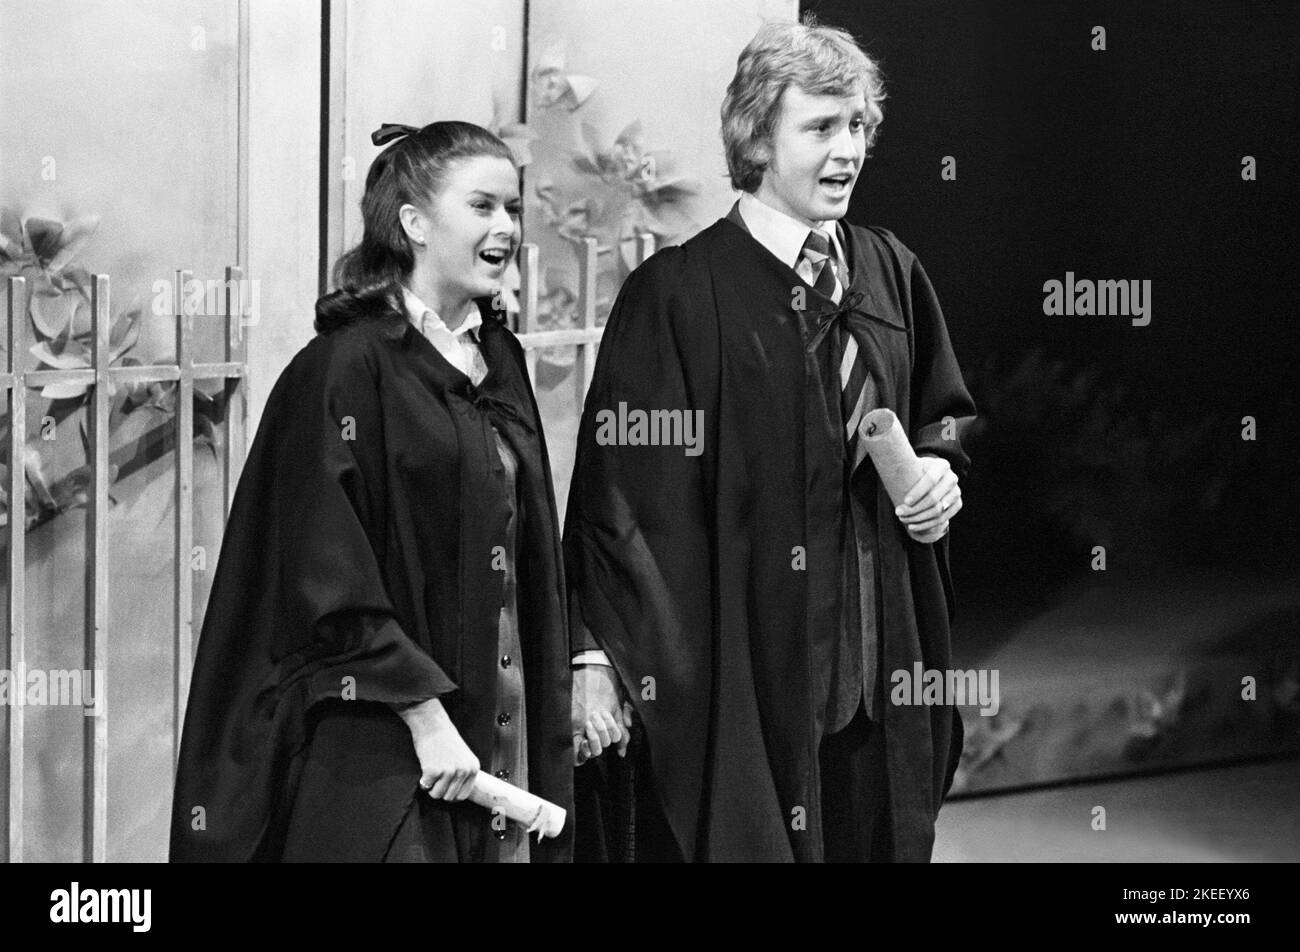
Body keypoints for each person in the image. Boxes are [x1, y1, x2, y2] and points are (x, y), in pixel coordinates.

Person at [565, 18, 977, 862]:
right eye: (821, 127)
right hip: (750, 677)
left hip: (884, 661)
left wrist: (939, 471)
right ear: (757, 135)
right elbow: (625, 505)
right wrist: (602, 659)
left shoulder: (889, 269)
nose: (849, 149)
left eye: (858, 125)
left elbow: (944, 414)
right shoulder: (680, 296)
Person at [170, 121, 573, 862]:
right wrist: (425, 717)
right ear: (414, 223)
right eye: (482, 206)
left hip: (498, 741)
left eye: (512, 209)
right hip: (383, 751)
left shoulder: (498, 359)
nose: (507, 228)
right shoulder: (343, 368)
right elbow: (326, 578)